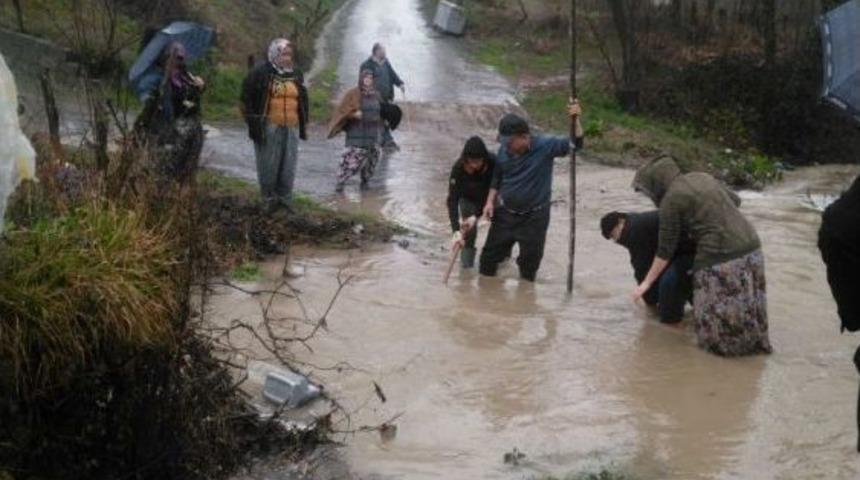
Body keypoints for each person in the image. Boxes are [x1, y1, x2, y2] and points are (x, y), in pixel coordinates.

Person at [631, 155, 771, 356]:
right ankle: (754, 358)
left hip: (719, 257)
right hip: (752, 248)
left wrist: (646, 283)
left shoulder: (670, 200)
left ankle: (722, 363)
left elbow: (665, 250)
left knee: (714, 324)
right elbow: (736, 201)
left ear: (656, 184)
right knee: (748, 310)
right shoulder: (702, 177)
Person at [479, 103, 583, 282]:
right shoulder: (504, 151)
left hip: (534, 219)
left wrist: (576, 119)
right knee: (487, 263)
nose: (507, 147)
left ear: (524, 136)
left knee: (528, 270)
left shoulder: (545, 146)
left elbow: (575, 144)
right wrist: (489, 201)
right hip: (505, 214)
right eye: (504, 143)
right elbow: (497, 176)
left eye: (510, 143)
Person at [240, 38, 309, 213]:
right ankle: (269, 199)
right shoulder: (261, 73)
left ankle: (285, 200)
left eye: (289, 55)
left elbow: (302, 98)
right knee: (268, 164)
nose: (287, 58)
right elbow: (246, 99)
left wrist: (303, 122)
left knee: (288, 165)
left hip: (292, 127)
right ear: (274, 54)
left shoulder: (296, 74)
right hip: (269, 127)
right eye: (284, 54)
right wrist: (253, 122)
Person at [600, 210, 695, 324]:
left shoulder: (632, 231)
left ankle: (672, 328)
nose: (615, 240)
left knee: (669, 286)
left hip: (694, 250)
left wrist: (648, 302)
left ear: (620, 222)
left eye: (613, 234)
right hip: (690, 248)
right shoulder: (635, 223)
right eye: (612, 238)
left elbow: (642, 267)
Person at [327, 69, 383, 191]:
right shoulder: (352, 93)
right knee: (351, 160)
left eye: (370, 78)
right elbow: (342, 110)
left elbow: (381, 111)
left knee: (371, 159)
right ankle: (340, 183)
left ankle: (365, 182)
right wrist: (353, 114)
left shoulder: (377, 95)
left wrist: (385, 119)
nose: (368, 80)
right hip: (356, 132)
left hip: (372, 133)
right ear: (361, 79)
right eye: (366, 77)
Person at [448, 136, 496, 268]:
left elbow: (499, 187)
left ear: (484, 158)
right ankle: (466, 268)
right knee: (468, 232)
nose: (474, 165)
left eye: (478, 162)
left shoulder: (493, 162)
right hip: (468, 199)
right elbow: (452, 200)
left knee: (500, 227)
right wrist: (455, 231)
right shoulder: (458, 168)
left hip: (490, 198)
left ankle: (501, 258)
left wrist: (477, 215)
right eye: (471, 162)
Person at [359, 43, 404, 149]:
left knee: (386, 117)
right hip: (372, 98)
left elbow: (392, 74)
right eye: (383, 51)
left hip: (386, 98)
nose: (385, 53)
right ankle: (387, 141)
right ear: (377, 51)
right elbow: (364, 83)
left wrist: (400, 84)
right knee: (379, 118)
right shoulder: (367, 65)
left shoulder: (386, 63)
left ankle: (384, 141)